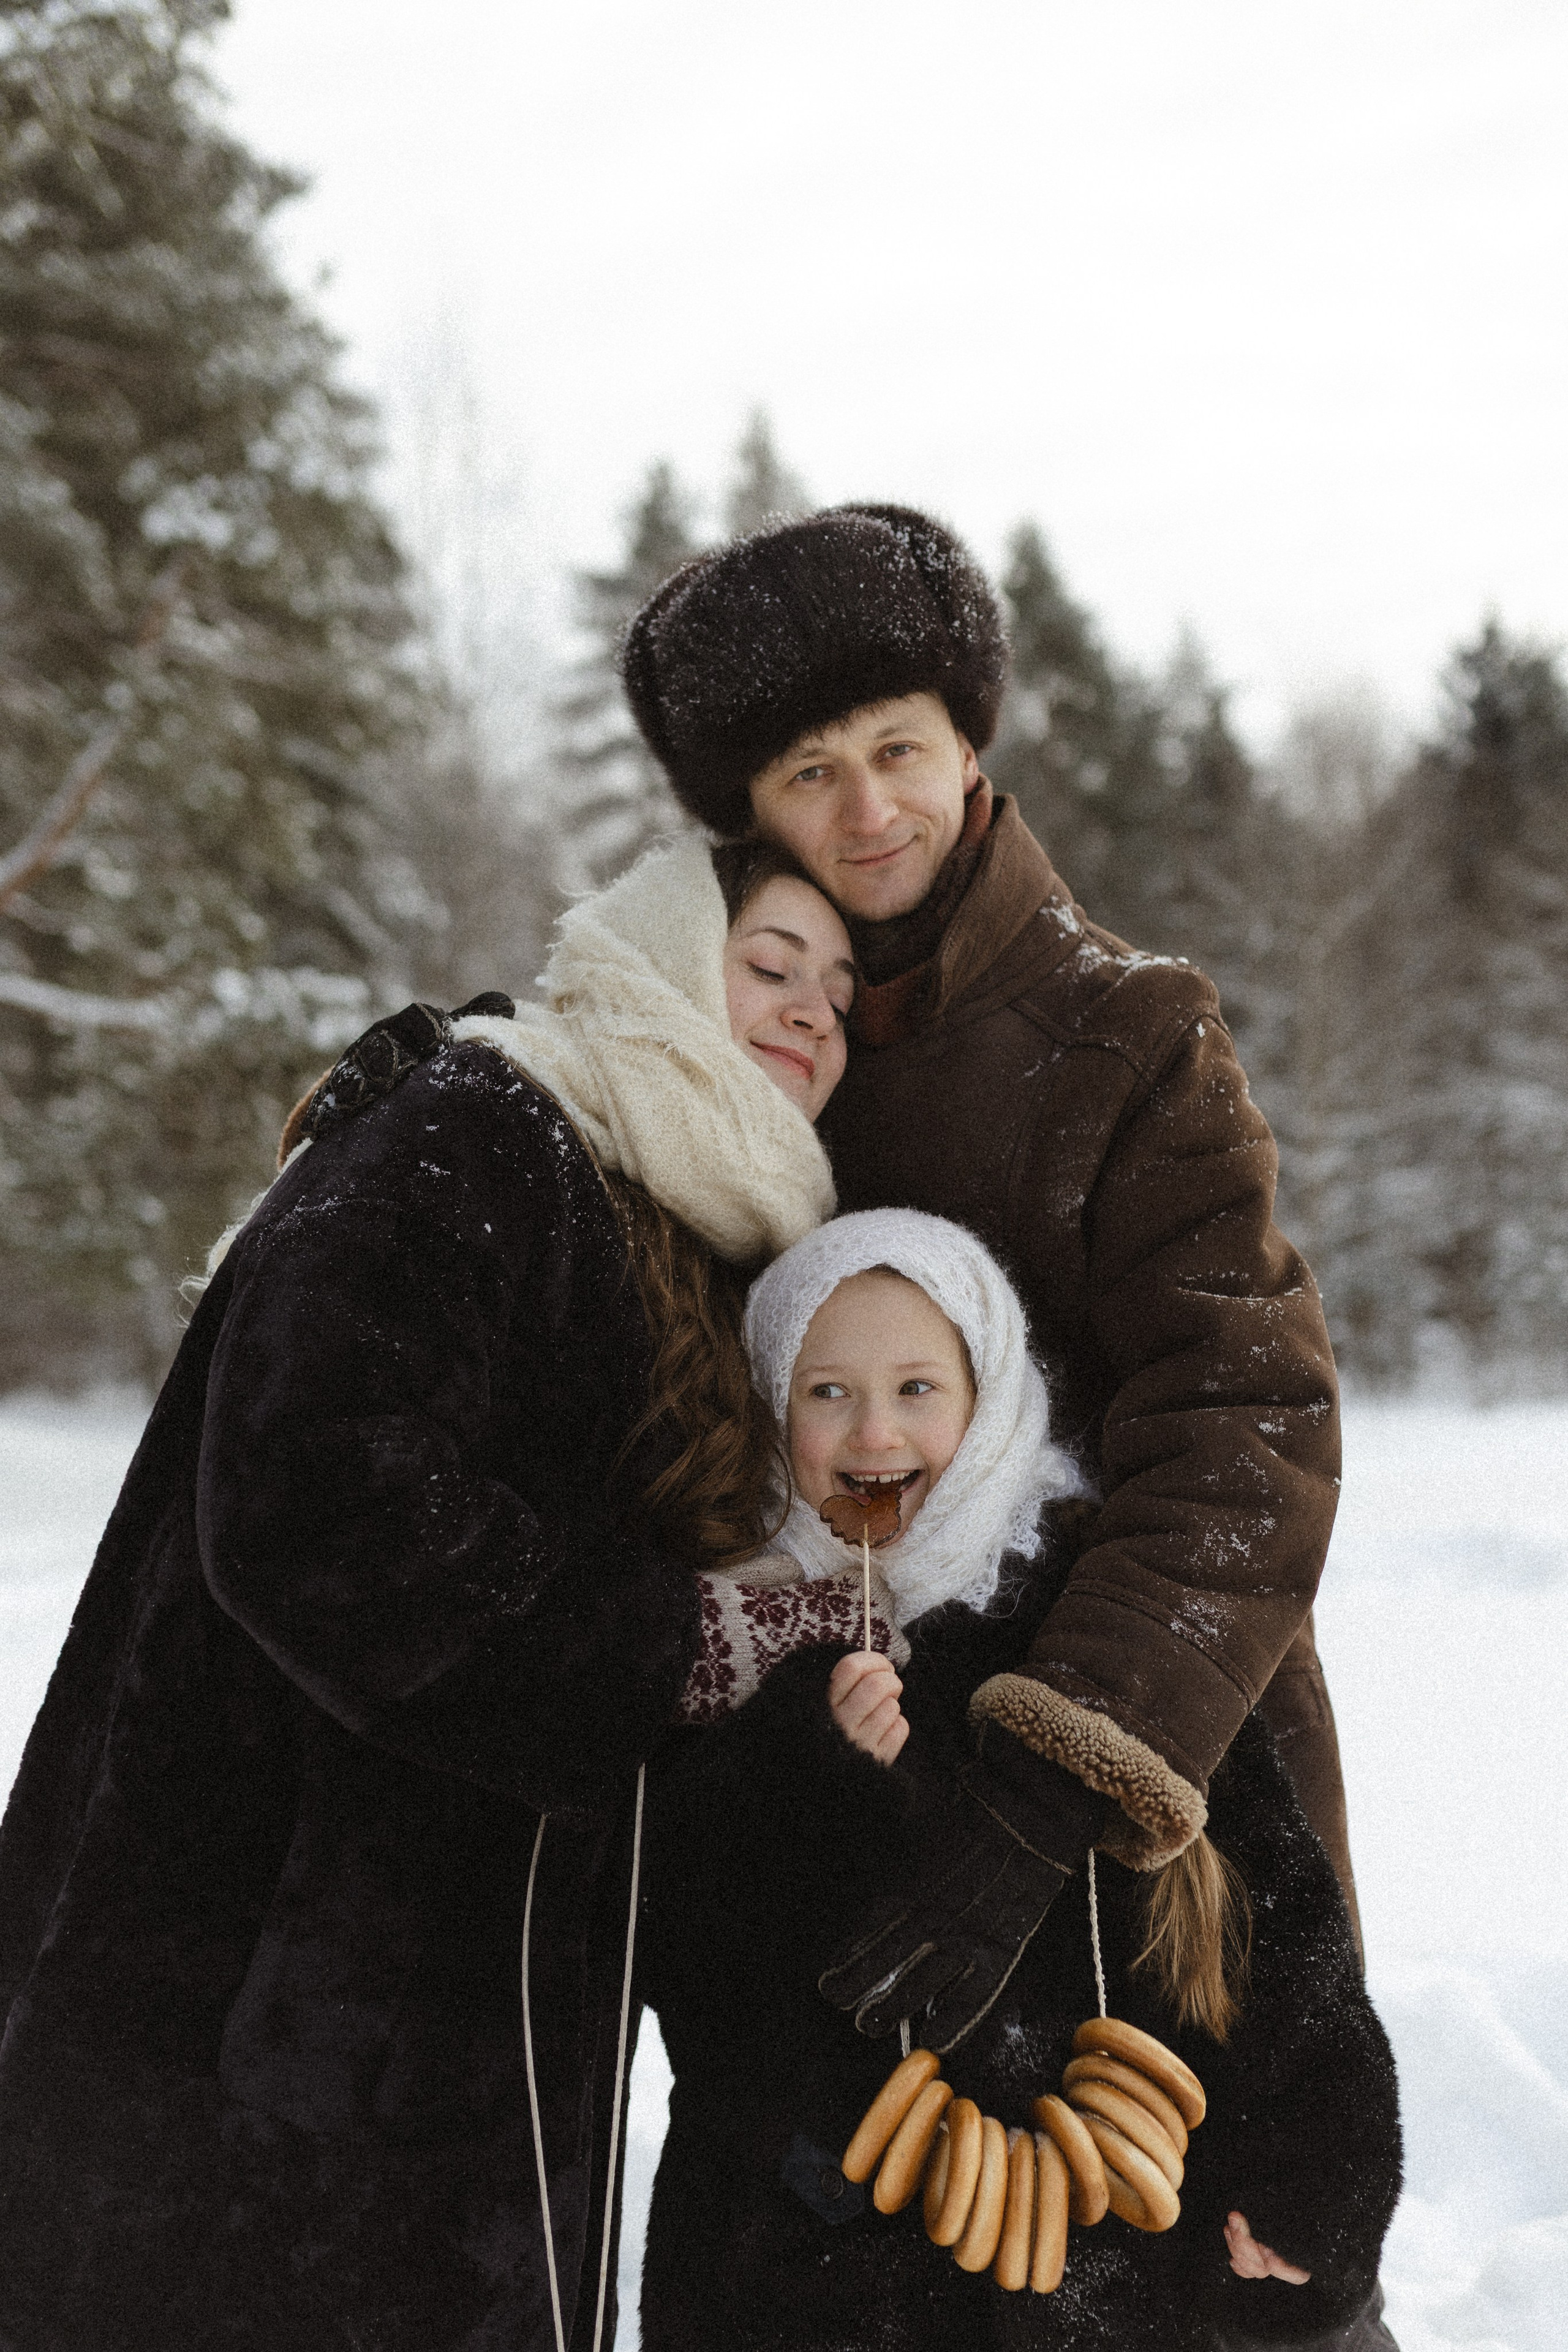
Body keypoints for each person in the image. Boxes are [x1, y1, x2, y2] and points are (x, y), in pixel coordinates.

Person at [0, 835, 892, 2352]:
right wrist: (681, 1641)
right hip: (265, 1995)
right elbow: (310, 1485)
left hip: (440, 2018)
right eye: (769, 964)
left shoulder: (677, 1219)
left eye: (842, 992)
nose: (815, 1008)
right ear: (660, 962)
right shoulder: (486, 1128)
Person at [620, 503, 1359, 1982]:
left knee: (1190, 2130)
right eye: (810, 772)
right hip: (824, 1763)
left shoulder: (1129, 1032)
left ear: (966, 747)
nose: (867, 809)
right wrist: (474, 1088)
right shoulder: (724, 1052)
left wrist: (1062, 1768)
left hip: (1140, 1767)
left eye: (896, 749)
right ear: (751, 815)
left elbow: (1244, 1417)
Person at [636, 1210, 1402, 2352]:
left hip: (1117, 2278)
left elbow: (1276, 1924)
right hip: (812, 2287)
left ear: (987, 1394)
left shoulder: (1102, 1621)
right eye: (826, 1392)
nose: (875, 1432)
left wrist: (1316, 2171)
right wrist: (809, 1775)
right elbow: (684, 1956)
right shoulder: (728, 1634)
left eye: (916, 1388)